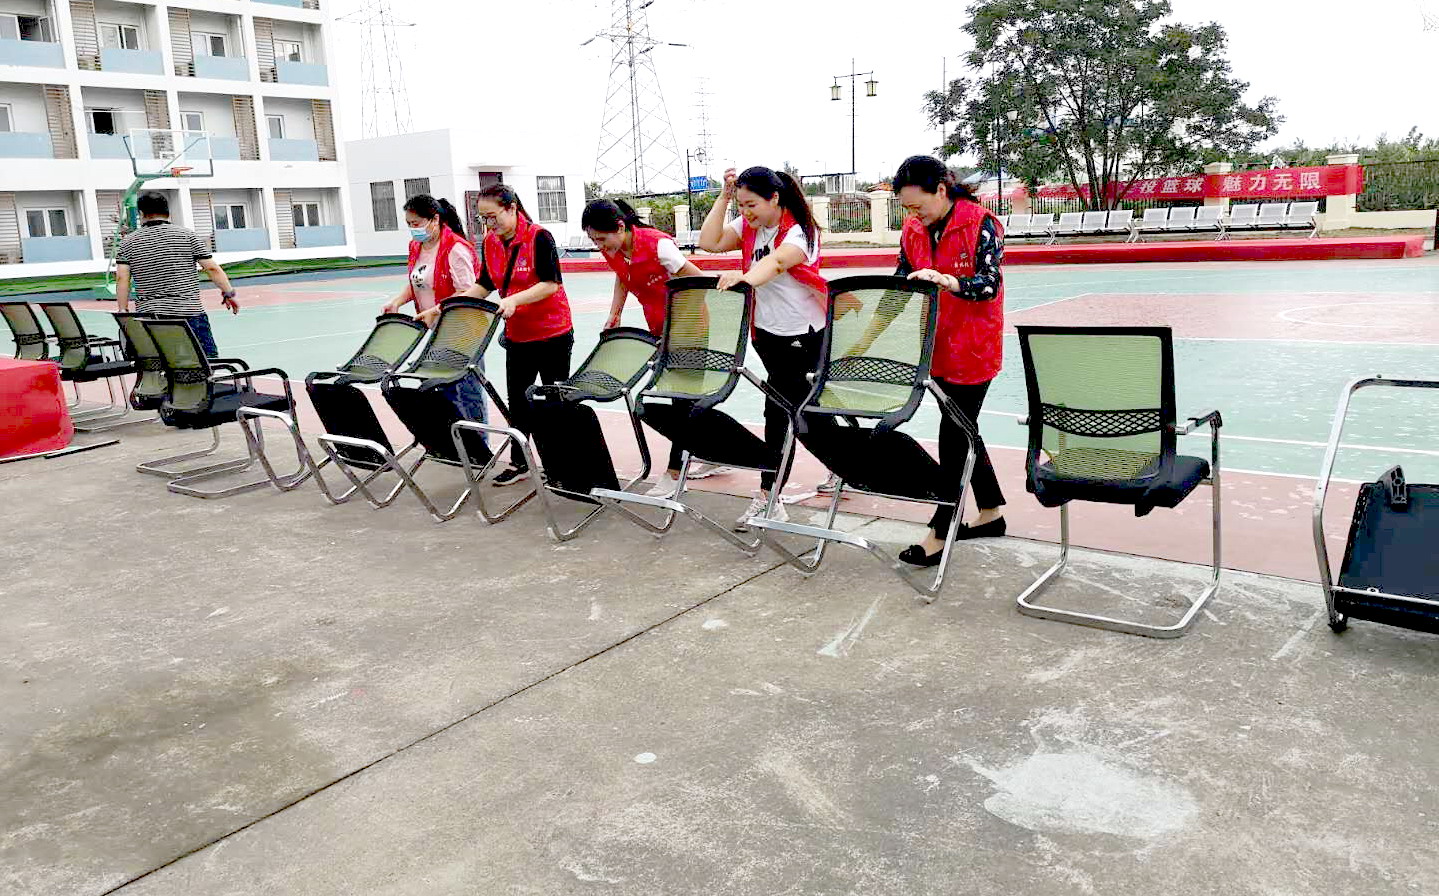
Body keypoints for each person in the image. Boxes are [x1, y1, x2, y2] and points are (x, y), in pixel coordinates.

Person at [698, 165, 834, 532]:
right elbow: (709, 242)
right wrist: (724, 196)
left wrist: (743, 277)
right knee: (807, 411)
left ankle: (769, 496)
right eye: (741, 206)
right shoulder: (749, 225)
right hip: (768, 334)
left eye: (752, 205)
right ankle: (841, 464)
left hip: (804, 333)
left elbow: (775, 263)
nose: (746, 213)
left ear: (775, 198)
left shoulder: (800, 231)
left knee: (782, 413)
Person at [890, 154, 1007, 566]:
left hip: (973, 348)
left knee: (954, 433)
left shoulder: (982, 223)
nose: (914, 214)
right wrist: (869, 326)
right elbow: (901, 280)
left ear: (941, 189)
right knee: (963, 426)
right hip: (934, 346)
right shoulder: (912, 230)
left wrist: (948, 281)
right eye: (907, 208)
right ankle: (991, 512)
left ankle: (941, 529)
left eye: (918, 205)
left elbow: (988, 285)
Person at [581, 197, 720, 497]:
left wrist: (682, 324)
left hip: (689, 328)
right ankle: (711, 451)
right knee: (686, 399)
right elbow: (622, 277)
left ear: (620, 227)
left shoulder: (659, 246)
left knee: (680, 400)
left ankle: (675, 472)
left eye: (601, 239)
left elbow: (698, 280)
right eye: (594, 241)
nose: (599, 246)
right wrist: (615, 313)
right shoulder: (614, 249)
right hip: (659, 329)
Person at [454, 183, 573, 486]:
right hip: (518, 336)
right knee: (518, 403)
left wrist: (513, 300)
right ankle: (520, 462)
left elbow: (550, 284)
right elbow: (484, 284)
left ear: (511, 208)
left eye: (492, 217)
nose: (488, 224)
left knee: (554, 402)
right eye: (483, 219)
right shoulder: (490, 242)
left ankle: (560, 465)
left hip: (552, 333)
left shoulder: (539, 237)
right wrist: (452, 306)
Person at [383, 194, 488, 427]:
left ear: (435, 219)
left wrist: (437, 309)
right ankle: (453, 439)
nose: (413, 229)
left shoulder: (456, 248)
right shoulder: (416, 246)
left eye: (416, 223)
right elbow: (418, 281)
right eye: (409, 224)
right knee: (444, 391)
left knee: (467, 392)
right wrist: (398, 301)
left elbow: (468, 292)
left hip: (464, 330)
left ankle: (479, 441)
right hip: (438, 331)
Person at [114, 191, 238, 357]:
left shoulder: (128, 242)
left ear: (141, 214)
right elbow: (212, 269)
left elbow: (122, 278)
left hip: (149, 318)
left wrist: (123, 310)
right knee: (204, 362)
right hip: (189, 314)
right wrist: (228, 293)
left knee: (159, 362)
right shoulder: (188, 236)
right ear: (168, 211)